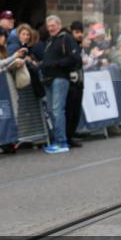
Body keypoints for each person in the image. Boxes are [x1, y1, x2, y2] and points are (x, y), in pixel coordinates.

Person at [40, 15, 81, 154]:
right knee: (52, 111)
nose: (51, 28)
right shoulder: (50, 40)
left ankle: (61, 142)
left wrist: (57, 64)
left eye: (53, 25)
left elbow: (75, 58)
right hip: (48, 79)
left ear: (59, 25)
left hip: (60, 79)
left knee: (58, 111)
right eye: (49, 26)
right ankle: (57, 141)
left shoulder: (66, 38)